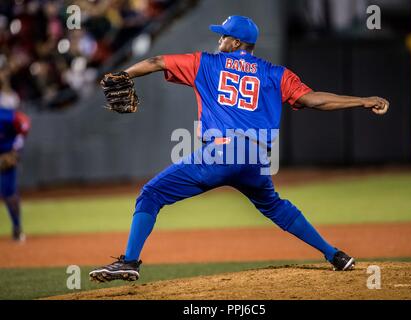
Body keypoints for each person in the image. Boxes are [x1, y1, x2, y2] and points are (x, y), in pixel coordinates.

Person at [89, 15, 389, 282]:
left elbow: (156, 62)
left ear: (235, 42)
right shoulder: (276, 73)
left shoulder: (205, 62)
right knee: (275, 206)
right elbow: (314, 99)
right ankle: (335, 255)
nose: (219, 39)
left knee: (151, 194)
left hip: (220, 153)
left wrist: (125, 74)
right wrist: (362, 100)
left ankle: (129, 262)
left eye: (223, 35)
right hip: (257, 158)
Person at [0, 72, 31, 242]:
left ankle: (17, 227)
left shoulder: (7, 106)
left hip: (6, 155)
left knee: (9, 194)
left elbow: (24, 125)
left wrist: (15, 152)